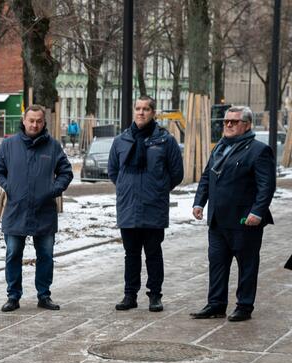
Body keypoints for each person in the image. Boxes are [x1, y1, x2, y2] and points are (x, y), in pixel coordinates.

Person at [191, 106, 276, 322]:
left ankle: (244, 306)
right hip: (218, 220)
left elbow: (266, 186)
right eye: (226, 121)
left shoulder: (258, 150)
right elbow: (207, 177)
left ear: (246, 125)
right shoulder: (219, 147)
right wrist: (199, 202)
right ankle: (216, 304)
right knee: (217, 263)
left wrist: (257, 212)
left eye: (234, 122)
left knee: (247, 265)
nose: (227, 125)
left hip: (244, 221)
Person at [0, 105, 73, 312]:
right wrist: (9, 187)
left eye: (39, 121)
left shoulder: (53, 147)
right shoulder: (9, 145)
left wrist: (52, 190)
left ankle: (44, 295)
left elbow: (66, 172)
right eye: (31, 120)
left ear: (44, 123)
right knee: (13, 254)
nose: (34, 124)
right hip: (15, 210)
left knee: (45, 255)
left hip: (44, 212)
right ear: (24, 120)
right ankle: (13, 296)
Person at [108, 96, 184, 312]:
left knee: (153, 253)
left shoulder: (165, 141)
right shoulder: (121, 140)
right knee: (130, 254)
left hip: (154, 207)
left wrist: (158, 189)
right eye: (138, 109)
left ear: (153, 113)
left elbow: (177, 173)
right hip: (128, 207)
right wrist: (125, 188)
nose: (141, 113)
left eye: (146, 109)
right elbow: (114, 172)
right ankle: (129, 295)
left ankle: (155, 296)